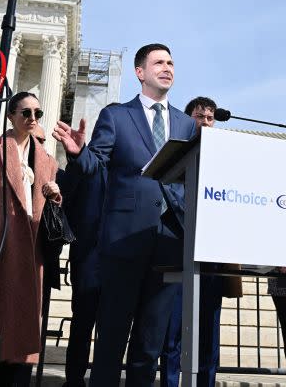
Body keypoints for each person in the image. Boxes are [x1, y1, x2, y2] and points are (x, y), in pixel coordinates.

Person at [53, 43, 197, 386]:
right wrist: (78, 153)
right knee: (111, 340)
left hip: (168, 245)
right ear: (140, 72)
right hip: (123, 244)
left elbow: (191, 182)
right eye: (159, 62)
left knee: (149, 345)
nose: (168, 68)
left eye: (171, 62)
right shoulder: (117, 116)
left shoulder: (187, 125)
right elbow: (95, 166)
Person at [0, 92, 62, 387]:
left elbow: (46, 207)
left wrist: (55, 196)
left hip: (31, 251)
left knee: (21, 337)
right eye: (26, 113)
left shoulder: (47, 159)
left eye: (38, 113)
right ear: (11, 116)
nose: (33, 118)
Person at [160, 96, 242, 387]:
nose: (206, 122)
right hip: (179, 251)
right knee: (174, 333)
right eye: (199, 116)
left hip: (213, 259)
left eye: (210, 118)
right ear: (187, 119)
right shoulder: (174, 152)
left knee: (208, 330)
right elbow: (170, 195)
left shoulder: (225, 158)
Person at [59, 104, 117, 387]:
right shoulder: (86, 158)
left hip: (123, 259)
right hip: (89, 259)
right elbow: (67, 195)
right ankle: (74, 380)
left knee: (113, 328)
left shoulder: (134, 165)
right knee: (82, 325)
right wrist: (75, 155)